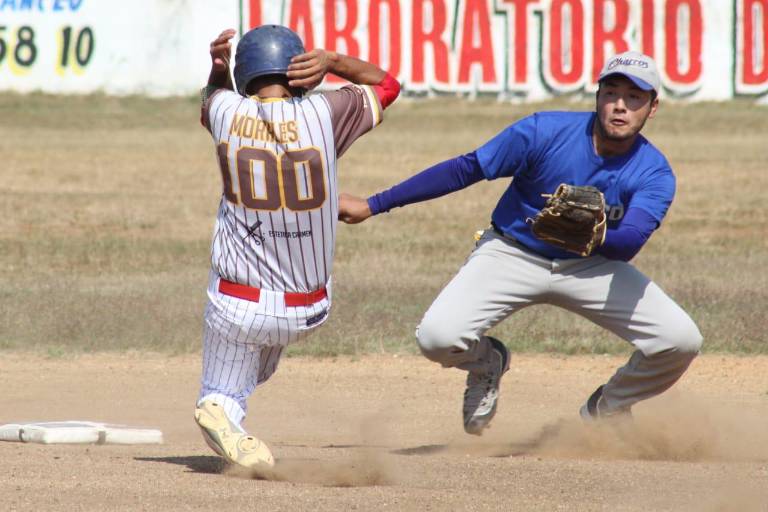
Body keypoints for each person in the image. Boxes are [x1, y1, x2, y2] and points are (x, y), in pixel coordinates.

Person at [338, 51, 702, 435]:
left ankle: (608, 406)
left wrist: (590, 234)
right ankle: (485, 361)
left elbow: (628, 243)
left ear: (653, 107)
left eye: (634, 98)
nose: (620, 106)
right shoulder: (543, 132)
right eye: (612, 93)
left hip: (592, 264)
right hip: (513, 251)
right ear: (597, 96)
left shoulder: (654, 171)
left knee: (680, 340)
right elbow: (467, 168)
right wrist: (374, 204)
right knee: (437, 338)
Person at [194, 26, 400, 469]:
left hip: (237, 306)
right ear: (301, 71)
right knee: (254, 369)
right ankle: (232, 409)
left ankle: (221, 409)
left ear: (244, 75)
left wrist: (217, 70)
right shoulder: (328, 112)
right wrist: (334, 62)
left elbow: (210, 99)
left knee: (221, 393)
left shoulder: (225, 110)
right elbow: (387, 84)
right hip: (308, 310)